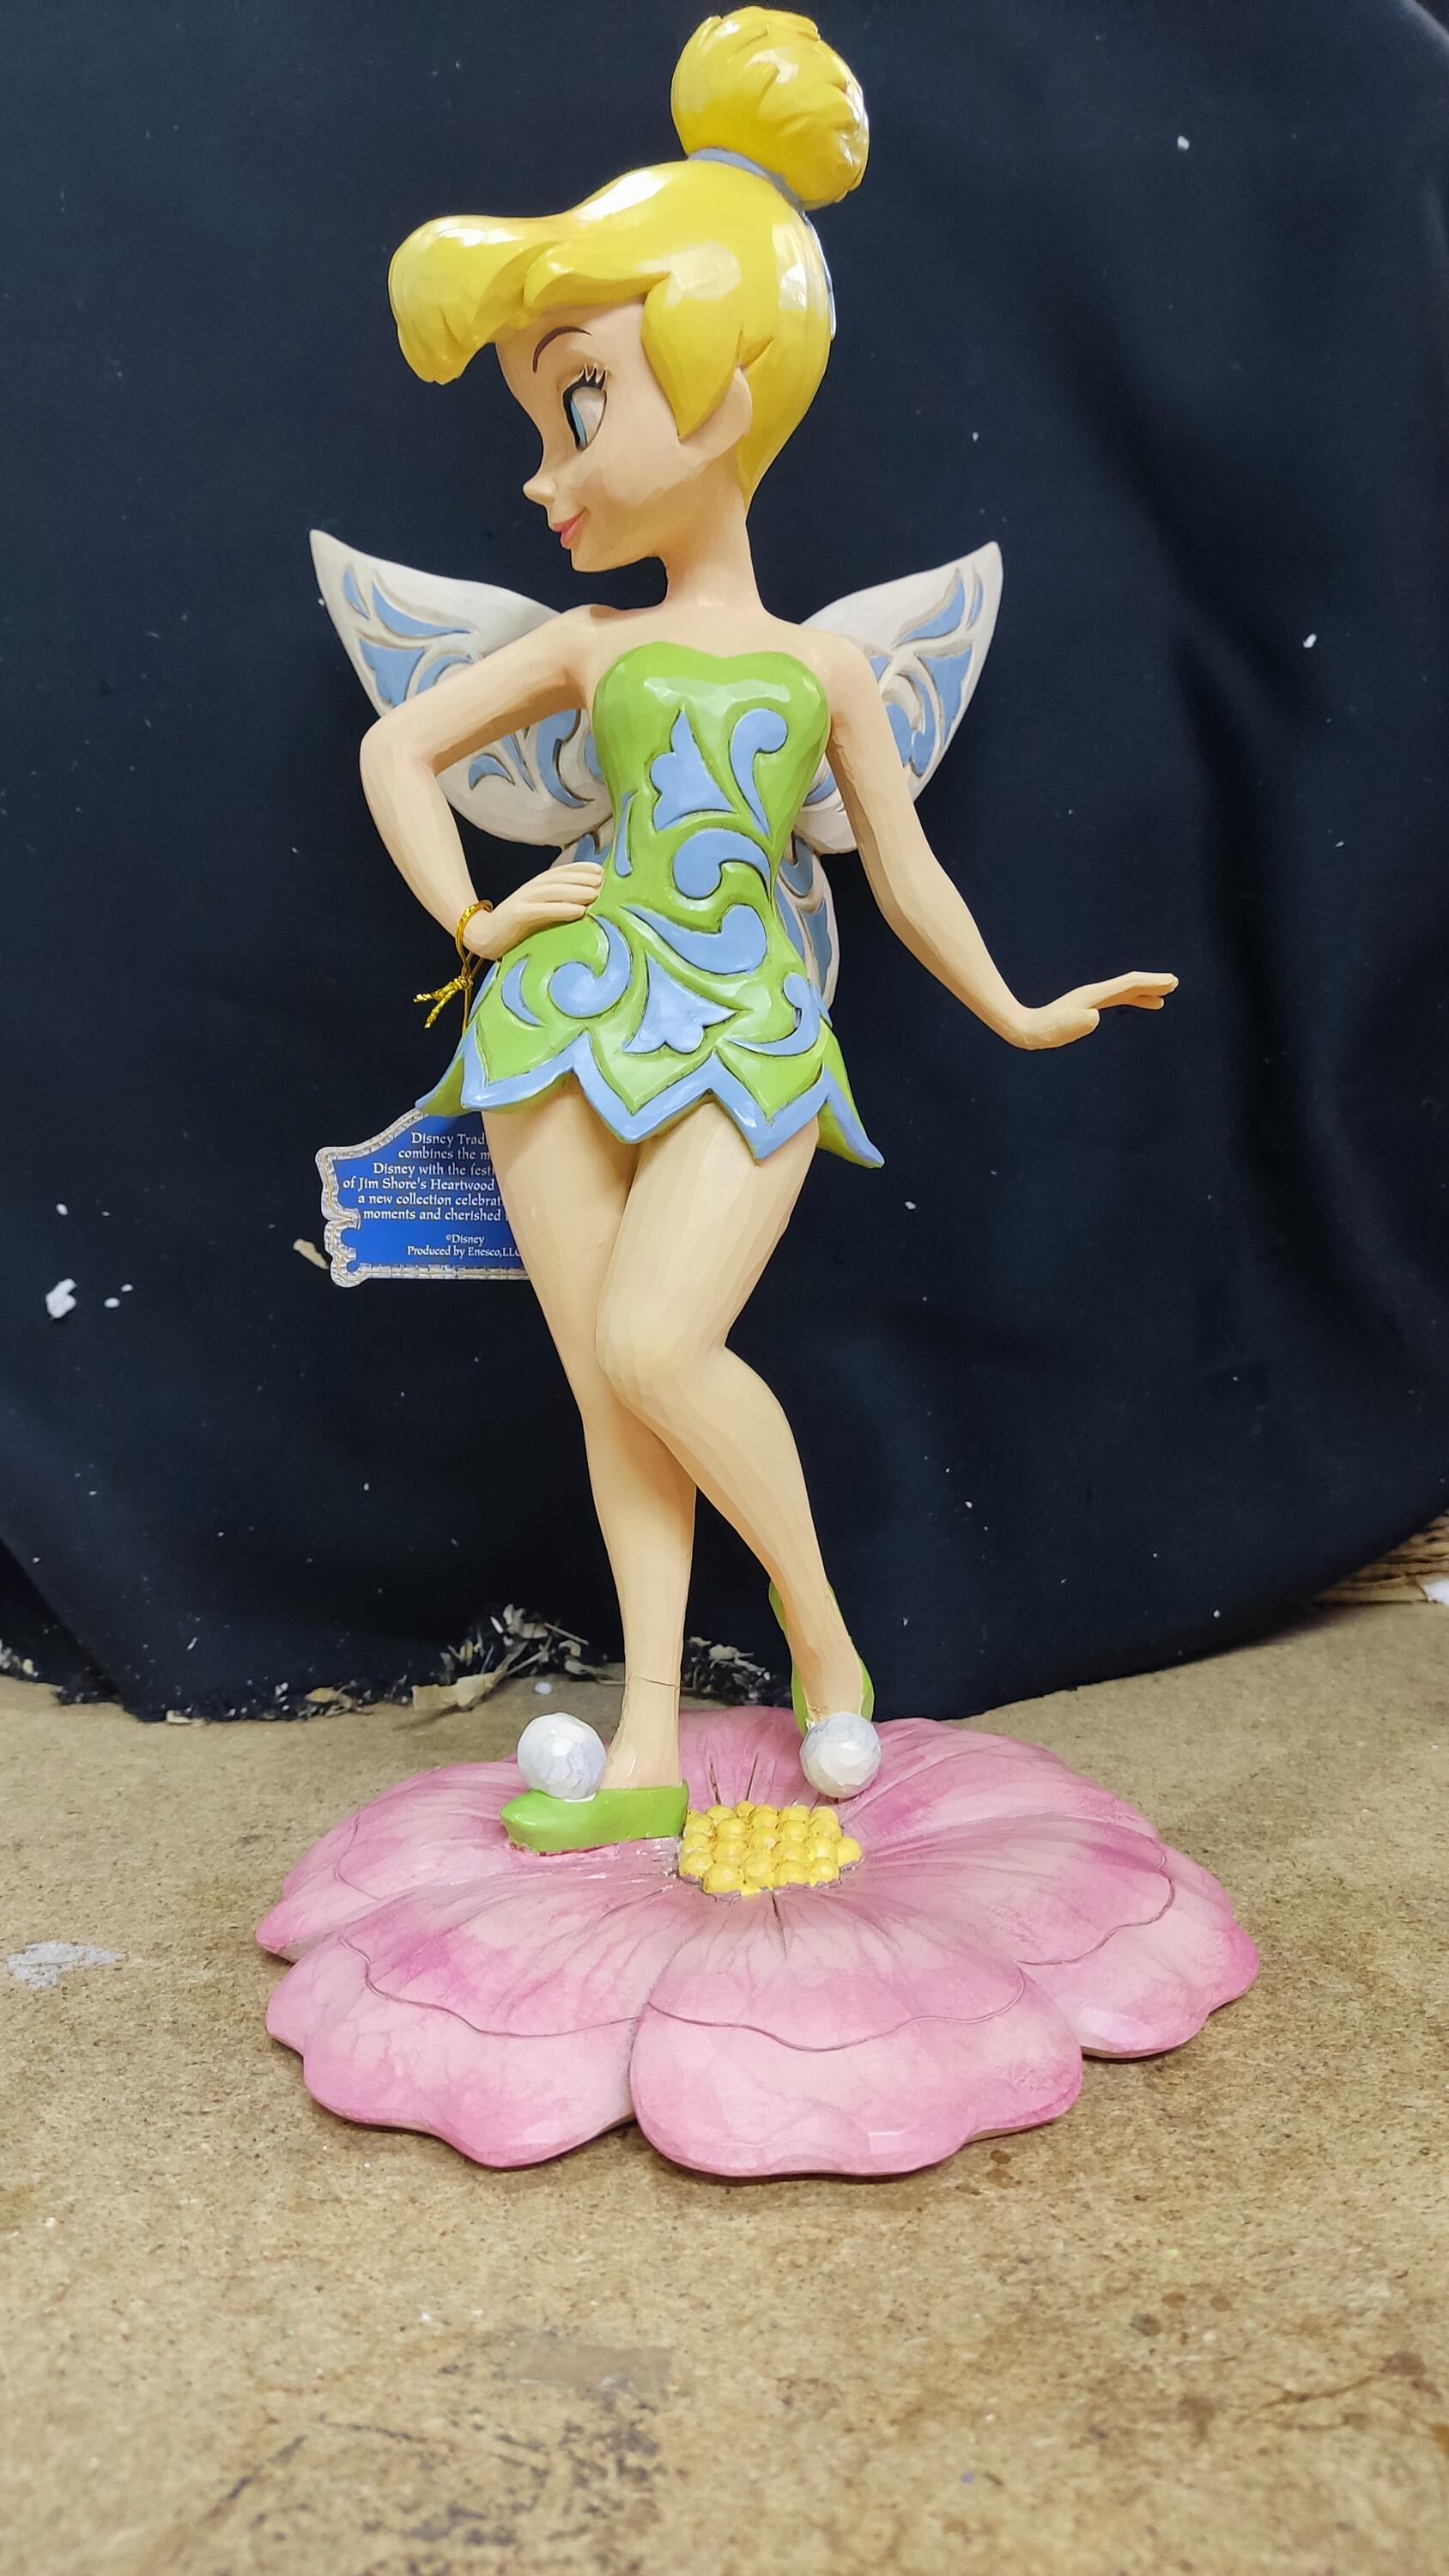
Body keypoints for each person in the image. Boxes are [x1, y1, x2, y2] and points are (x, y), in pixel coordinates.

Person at [356, 8, 1175, 1851]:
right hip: (563, 1012)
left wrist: (1019, 1008)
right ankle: (647, 1734)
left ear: (723, 381)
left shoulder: (822, 669)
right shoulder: (587, 645)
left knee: (660, 1344)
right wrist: (478, 912)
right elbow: (396, 747)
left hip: (751, 1028)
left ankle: (818, 1630)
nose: (547, 470)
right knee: (606, 1387)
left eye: (579, 405)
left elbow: (903, 869)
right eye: (543, 422)